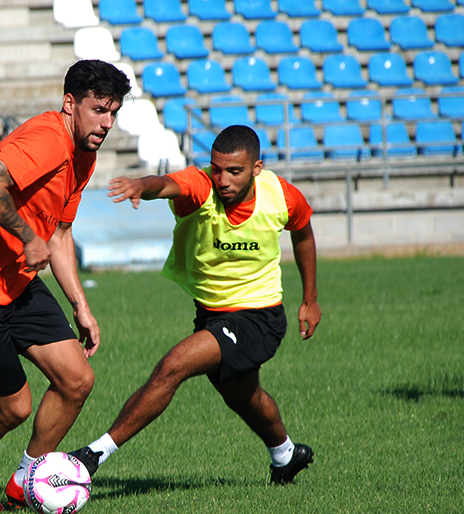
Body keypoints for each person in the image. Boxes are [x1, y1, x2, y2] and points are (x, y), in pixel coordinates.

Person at [0, 59, 132, 513]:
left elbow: (59, 234)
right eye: (99, 109)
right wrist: (26, 237)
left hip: (15, 285)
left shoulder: (85, 155)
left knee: (77, 379)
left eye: (113, 112)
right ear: (69, 103)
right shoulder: (46, 139)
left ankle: (28, 479)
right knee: (13, 407)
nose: (107, 122)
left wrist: (80, 304)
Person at [68, 125, 321, 486]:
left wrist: (310, 300)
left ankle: (93, 455)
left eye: (235, 171)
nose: (223, 179)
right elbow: (169, 184)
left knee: (173, 366)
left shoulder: (282, 196)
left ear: (257, 168)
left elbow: (303, 232)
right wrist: (143, 186)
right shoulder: (202, 187)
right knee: (243, 395)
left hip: (259, 316)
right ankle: (285, 454)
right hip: (211, 314)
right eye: (217, 168)